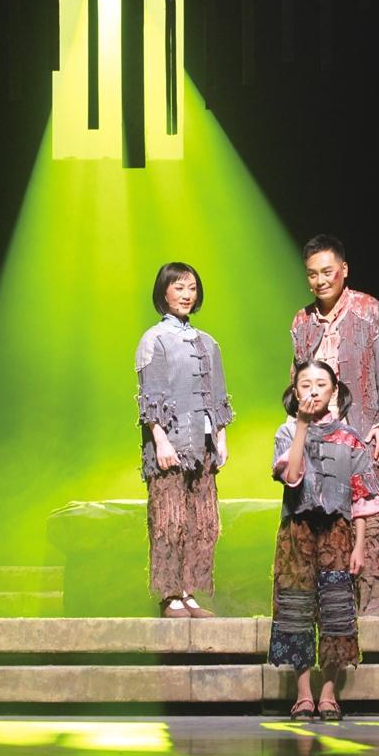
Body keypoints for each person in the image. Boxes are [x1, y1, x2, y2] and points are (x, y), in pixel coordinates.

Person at [290, 233, 379, 616]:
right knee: (326, 525)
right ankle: (334, 606)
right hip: (320, 439)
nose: (320, 280)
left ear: (343, 270)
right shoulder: (302, 321)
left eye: (327, 272)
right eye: (313, 274)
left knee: (370, 520)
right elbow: (297, 379)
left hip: (365, 433)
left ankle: (377, 605)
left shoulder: (370, 311)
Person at [268, 358, 379, 720]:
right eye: (306, 385)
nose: (314, 391)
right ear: (295, 392)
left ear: (334, 390)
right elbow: (291, 477)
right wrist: (302, 425)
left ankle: (329, 694)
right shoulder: (286, 432)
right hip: (298, 531)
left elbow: (361, 497)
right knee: (296, 610)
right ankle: (304, 694)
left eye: (321, 384)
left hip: (338, 532)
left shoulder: (350, 437)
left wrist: (359, 546)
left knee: (337, 611)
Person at [135, 262, 233, 618]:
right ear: (164, 292)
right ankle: (169, 595)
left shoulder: (208, 342)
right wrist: (160, 440)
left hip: (202, 445)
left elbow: (217, 395)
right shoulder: (155, 339)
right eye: (179, 287)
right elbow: (150, 397)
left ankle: (189, 592)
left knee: (201, 520)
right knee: (169, 519)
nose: (186, 294)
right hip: (171, 443)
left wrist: (221, 438)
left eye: (191, 287)